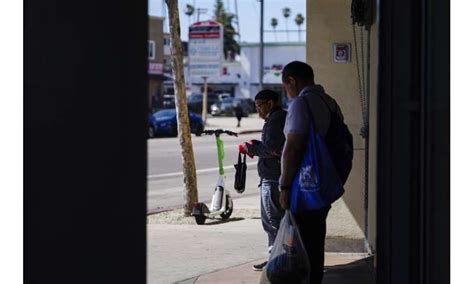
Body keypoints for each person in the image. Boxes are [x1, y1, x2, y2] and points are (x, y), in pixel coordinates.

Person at [278, 61, 345, 284]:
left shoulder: (300, 104)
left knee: (301, 244)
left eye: (285, 87)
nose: (286, 92)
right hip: (325, 183)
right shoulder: (330, 103)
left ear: (292, 81)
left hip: (304, 186)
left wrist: (284, 186)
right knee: (316, 240)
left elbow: (294, 147)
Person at [239, 90, 287, 272]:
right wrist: (256, 146)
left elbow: (273, 149)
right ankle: (279, 258)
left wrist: (250, 148)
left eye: (259, 105)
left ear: (270, 103)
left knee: (272, 222)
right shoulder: (278, 118)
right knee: (278, 221)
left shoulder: (275, 119)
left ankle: (276, 261)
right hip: (276, 177)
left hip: (272, 178)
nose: (257, 110)